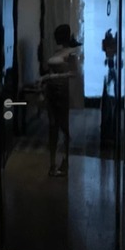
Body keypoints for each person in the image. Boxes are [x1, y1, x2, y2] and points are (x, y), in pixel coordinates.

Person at [40, 23, 81, 177]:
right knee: (52, 126)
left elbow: (74, 73)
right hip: (51, 91)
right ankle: (52, 164)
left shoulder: (71, 53)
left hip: (61, 91)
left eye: (57, 35)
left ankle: (65, 159)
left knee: (63, 126)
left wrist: (53, 76)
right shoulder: (59, 51)